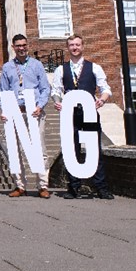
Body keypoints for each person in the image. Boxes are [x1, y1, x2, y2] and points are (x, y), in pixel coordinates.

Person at [51, 34, 114, 200]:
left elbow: (105, 89)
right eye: (71, 45)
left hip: (90, 113)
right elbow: (56, 90)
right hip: (70, 114)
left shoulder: (95, 68)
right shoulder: (61, 69)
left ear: (83, 46)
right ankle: (73, 187)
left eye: (77, 44)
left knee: (95, 150)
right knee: (72, 150)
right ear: (68, 48)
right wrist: (57, 101)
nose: (74, 47)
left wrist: (101, 100)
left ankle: (101, 188)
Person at [0, 34, 52, 199]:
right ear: (13, 47)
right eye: (18, 46)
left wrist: (40, 106)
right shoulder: (7, 67)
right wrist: (4, 110)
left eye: (24, 45)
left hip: (34, 112)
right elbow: (3, 91)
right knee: (16, 150)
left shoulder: (36, 65)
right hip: (16, 112)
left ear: (27, 45)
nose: (21, 48)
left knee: (40, 149)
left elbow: (45, 88)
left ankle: (42, 185)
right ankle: (20, 185)